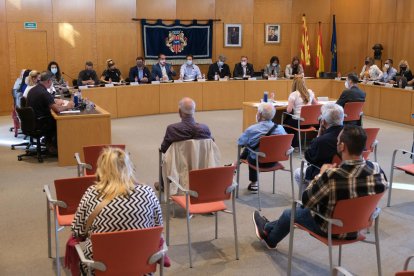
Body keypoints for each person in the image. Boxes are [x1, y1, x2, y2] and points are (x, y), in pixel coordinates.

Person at [252, 125, 388, 249]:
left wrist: (320, 175)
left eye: (338, 141)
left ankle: (270, 238)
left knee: (290, 213)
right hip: (359, 226)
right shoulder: (377, 170)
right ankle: (267, 228)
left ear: (342, 147)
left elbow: (306, 201)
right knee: (300, 212)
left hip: (332, 228)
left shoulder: (332, 176)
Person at [71, 147, 163, 275]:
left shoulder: (91, 194)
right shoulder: (148, 192)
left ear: (101, 169)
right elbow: (158, 227)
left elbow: (77, 231)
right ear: (129, 167)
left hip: (101, 268)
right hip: (141, 265)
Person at [237, 102, 287, 193]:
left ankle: (254, 183)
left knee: (250, 149)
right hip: (274, 161)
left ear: (259, 114)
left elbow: (240, 143)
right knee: (254, 147)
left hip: (258, 162)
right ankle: (237, 163)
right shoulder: (280, 128)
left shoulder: (252, 129)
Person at [294, 103, 344, 191]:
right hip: (345, 172)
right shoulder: (352, 134)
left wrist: (318, 136)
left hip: (325, 174)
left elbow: (309, 157)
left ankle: (308, 201)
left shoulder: (321, 140)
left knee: (298, 172)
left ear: (323, 121)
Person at [26, 71, 75, 153]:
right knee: (60, 123)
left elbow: (46, 101)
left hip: (32, 122)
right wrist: (68, 106)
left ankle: (48, 142)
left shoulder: (34, 89)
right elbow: (57, 109)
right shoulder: (44, 92)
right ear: (48, 81)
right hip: (40, 123)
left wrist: (54, 100)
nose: (51, 83)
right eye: (51, 81)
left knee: (53, 118)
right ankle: (54, 147)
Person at [283, 76, 318, 147]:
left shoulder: (293, 94)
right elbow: (316, 105)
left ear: (294, 84)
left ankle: (293, 144)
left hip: (298, 123)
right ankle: (296, 144)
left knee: (286, 122)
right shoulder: (310, 92)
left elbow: (289, 111)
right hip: (309, 123)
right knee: (292, 120)